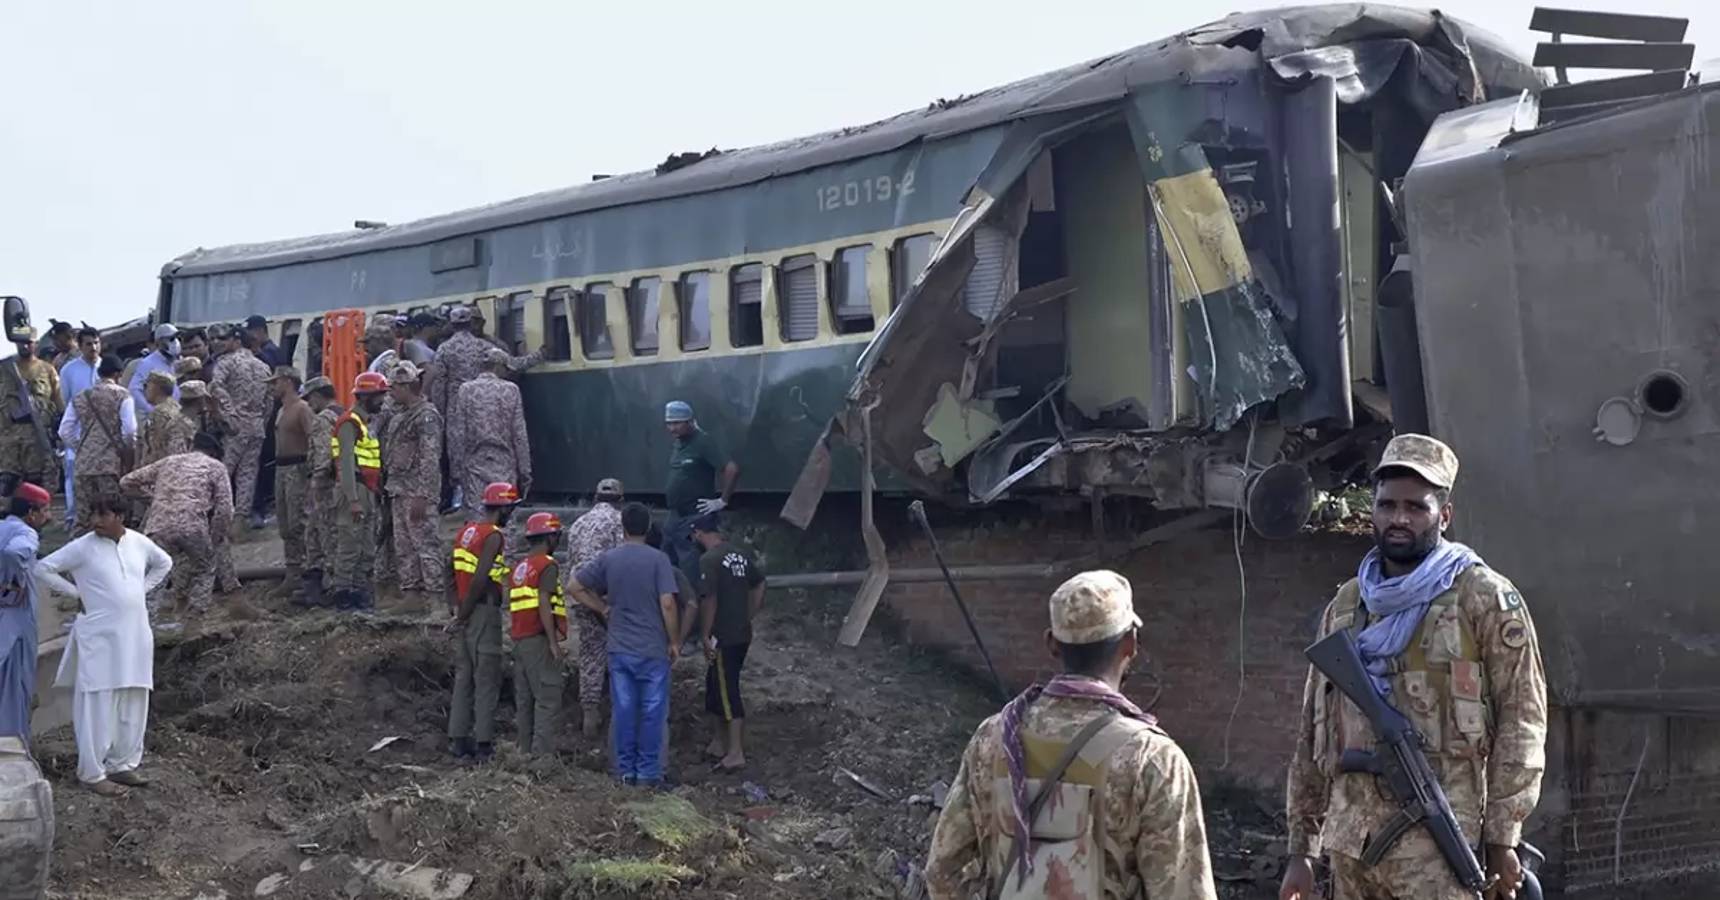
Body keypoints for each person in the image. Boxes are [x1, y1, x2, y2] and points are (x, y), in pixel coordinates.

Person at [1281, 435, 1547, 900]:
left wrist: (1504, 834)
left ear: (1444, 515)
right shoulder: (1347, 603)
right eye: (1387, 505)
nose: (1398, 519)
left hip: (1438, 851)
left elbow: (1523, 718)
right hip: (1351, 851)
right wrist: (1302, 849)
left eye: (1415, 507)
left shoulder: (1481, 597)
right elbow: (1313, 731)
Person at [926, 570, 1218, 900]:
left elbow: (942, 871)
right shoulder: (1153, 759)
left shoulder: (992, 739)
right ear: (1131, 644)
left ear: (1051, 643)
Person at [37, 496, 173, 796]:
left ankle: (122, 764)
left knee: (133, 695)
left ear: (120, 516)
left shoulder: (139, 542)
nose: (95, 521)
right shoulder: (82, 547)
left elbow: (165, 563)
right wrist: (76, 592)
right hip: (98, 634)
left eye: (103, 515)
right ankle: (92, 772)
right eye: (93, 515)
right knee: (97, 699)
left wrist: (140, 589)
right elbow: (43, 568)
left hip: (136, 634)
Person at [568, 503, 680, 786]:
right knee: (653, 712)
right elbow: (668, 604)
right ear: (648, 527)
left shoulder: (609, 559)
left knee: (624, 710)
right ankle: (648, 774)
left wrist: (602, 609)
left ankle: (624, 773)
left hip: (620, 648)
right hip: (653, 648)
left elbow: (574, 587)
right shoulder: (659, 560)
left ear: (623, 528)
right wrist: (675, 640)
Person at [426, 306, 542, 511]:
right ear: (471, 323)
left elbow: (438, 387)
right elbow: (512, 364)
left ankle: (460, 496)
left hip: (458, 408)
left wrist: (440, 415)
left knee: (467, 458)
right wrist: (538, 356)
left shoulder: (444, 349)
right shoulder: (485, 347)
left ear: (452, 325)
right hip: (494, 406)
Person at [120, 433, 240, 623]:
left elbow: (126, 482)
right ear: (214, 453)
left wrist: (153, 499)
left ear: (192, 445)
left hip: (157, 527)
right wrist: (215, 535)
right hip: (192, 526)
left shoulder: (168, 462)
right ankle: (194, 620)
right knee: (206, 567)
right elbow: (225, 509)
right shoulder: (216, 467)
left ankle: (144, 626)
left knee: (156, 576)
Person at [446, 482, 519, 761]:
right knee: (486, 678)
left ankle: (458, 739)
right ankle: (484, 743)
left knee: (464, 677)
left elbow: (448, 568)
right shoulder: (493, 536)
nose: (511, 513)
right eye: (509, 508)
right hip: (482, 613)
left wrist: (454, 608)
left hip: (464, 612)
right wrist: (463, 614)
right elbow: (480, 578)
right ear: (501, 508)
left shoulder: (466, 532)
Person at [691, 514, 765, 771]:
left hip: (723, 635)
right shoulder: (739, 555)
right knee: (715, 686)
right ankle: (718, 743)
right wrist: (749, 614)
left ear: (700, 533)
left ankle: (735, 752)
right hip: (742, 632)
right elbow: (759, 584)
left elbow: (708, 599)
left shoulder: (709, 560)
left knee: (727, 690)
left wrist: (705, 634)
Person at [564, 477, 626, 738]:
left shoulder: (578, 524)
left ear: (595, 498)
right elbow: (623, 560)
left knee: (590, 653)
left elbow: (570, 562)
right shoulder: (619, 522)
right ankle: (618, 712)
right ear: (621, 500)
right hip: (607, 596)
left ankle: (589, 712)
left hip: (579, 593)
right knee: (619, 652)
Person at [382, 361, 443, 607]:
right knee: (404, 544)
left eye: (394, 387)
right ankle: (411, 594)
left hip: (416, 491)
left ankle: (437, 599)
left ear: (407, 386)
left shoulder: (426, 416)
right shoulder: (400, 416)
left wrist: (423, 493)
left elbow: (430, 456)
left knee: (426, 543)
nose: (390, 392)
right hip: (398, 489)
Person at [507, 511, 566, 756]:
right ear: (549, 537)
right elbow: (544, 602)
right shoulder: (548, 565)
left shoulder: (520, 566)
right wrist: (553, 643)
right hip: (537, 639)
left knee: (525, 699)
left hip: (519, 638)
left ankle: (524, 750)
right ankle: (542, 758)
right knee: (547, 697)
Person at [662, 400, 738, 583]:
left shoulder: (703, 442)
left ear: (689, 422)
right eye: (669, 423)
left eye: (677, 423)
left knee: (691, 568)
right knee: (666, 562)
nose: (672, 428)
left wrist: (722, 500)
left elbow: (731, 469)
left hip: (695, 516)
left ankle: (695, 605)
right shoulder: (679, 443)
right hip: (674, 516)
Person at [450, 348, 532, 517]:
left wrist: (456, 470)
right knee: (505, 517)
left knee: (477, 516)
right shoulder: (511, 390)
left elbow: (458, 433)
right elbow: (519, 435)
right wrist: (525, 472)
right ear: (498, 367)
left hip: (474, 465)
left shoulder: (465, 390)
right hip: (505, 465)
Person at [59, 355, 135, 534]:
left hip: (84, 465)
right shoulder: (123, 395)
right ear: (118, 374)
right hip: (111, 465)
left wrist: (81, 447)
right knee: (112, 515)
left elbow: (64, 430)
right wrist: (127, 453)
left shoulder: (80, 397)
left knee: (85, 518)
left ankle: (79, 555)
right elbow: (130, 431)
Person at [331, 371, 387, 611]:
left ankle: (359, 592)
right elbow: (345, 463)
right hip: (354, 489)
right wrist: (353, 499)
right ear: (365, 397)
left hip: (367, 489)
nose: (382, 401)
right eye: (379, 396)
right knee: (350, 543)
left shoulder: (364, 424)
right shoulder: (350, 423)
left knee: (365, 544)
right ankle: (344, 594)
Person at [0, 483, 52, 741]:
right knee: (14, 685)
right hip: (16, 621)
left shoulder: (2, 527)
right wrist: (12, 582)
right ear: (31, 512)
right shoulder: (26, 534)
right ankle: (12, 741)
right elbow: (13, 553)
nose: (49, 516)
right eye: (45, 510)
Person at [208, 326, 272, 525]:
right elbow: (269, 400)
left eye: (224, 338)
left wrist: (229, 415)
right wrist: (262, 420)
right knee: (248, 474)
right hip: (256, 426)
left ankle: (218, 517)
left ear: (237, 340)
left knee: (223, 472)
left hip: (235, 428)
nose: (219, 343)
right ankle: (240, 520)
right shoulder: (262, 366)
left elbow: (215, 389)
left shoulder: (226, 362)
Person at [267, 367, 315, 600]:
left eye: (276, 382)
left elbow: (313, 439)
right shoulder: (281, 411)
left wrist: (311, 471)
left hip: (298, 467)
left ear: (287, 382)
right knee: (285, 523)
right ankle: (293, 571)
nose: (273, 387)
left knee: (299, 521)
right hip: (281, 468)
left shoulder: (302, 409)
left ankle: (307, 571)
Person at [0, 334, 63, 495]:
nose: (25, 347)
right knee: (7, 480)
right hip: (9, 433)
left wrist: (59, 426)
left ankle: (33, 513)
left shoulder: (46, 369)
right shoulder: (4, 368)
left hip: (37, 433)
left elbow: (57, 399)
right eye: (21, 343)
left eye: (29, 343)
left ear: (36, 343)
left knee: (35, 479)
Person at [299, 376, 340, 607]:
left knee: (326, 535)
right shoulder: (342, 413)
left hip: (325, 486)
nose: (309, 404)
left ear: (317, 395)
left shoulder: (324, 418)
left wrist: (316, 480)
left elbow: (324, 453)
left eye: (310, 398)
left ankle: (331, 587)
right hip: (338, 484)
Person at [59, 326, 103, 527]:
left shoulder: (106, 366)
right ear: (80, 345)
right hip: (76, 432)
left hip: (104, 433)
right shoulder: (69, 370)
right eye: (88, 344)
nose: (93, 347)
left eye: (96, 342)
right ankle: (73, 516)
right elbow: (66, 400)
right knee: (74, 473)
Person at [137, 372, 196, 468]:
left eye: (147, 386)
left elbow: (155, 448)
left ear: (156, 388)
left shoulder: (159, 413)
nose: (145, 390)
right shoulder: (176, 407)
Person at [127, 324, 180, 416]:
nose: (175, 342)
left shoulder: (179, 361)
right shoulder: (148, 363)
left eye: (177, 337)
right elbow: (134, 389)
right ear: (158, 342)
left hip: (176, 415)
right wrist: (150, 409)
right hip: (158, 419)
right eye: (171, 339)